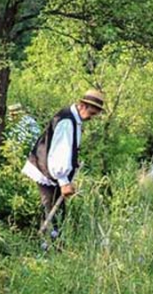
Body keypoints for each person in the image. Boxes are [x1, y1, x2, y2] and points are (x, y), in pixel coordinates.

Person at [22, 89, 105, 238]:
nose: (91, 118)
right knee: (54, 215)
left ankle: (47, 243)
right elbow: (58, 153)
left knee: (57, 213)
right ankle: (45, 246)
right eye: (91, 113)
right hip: (47, 172)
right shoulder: (67, 121)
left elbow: (67, 150)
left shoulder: (73, 119)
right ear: (81, 105)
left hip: (50, 172)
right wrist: (63, 182)